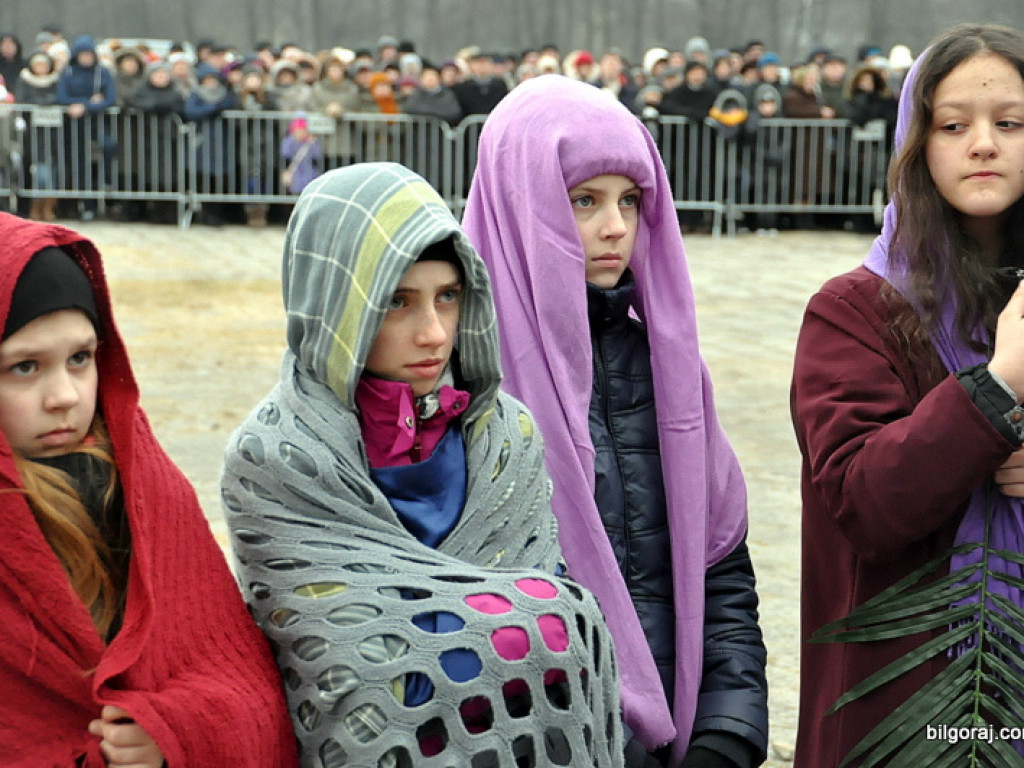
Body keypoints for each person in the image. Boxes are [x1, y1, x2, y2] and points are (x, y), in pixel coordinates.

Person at [220, 162, 624, 767]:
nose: (433, 332)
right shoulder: (279, 459)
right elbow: (356, 672)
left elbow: (559, 642)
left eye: (448, 297)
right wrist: (512, 620)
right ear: (332, 304)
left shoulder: (502, 438)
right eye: (396, 303)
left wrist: (496, 624)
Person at [462, 75, 769, 768]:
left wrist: (727, 739)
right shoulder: (464, 389)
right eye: (583, 200)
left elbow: (721, 577)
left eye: (630, 200)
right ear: (519, 202)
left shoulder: (669, 371)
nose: (616, 227)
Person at [791, 23, 1024, 766]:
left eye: (1010, 123)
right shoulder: (854, 310)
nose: (983, 144)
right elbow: (865, 500)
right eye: (953, 125)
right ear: (917, 145)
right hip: (910, 707)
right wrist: (996, 388)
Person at [0, 213, 298, 766]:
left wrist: (172, 733)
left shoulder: (146, 492)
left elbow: (235, 676)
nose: (63, 394)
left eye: (80, 358)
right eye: (23, 367)